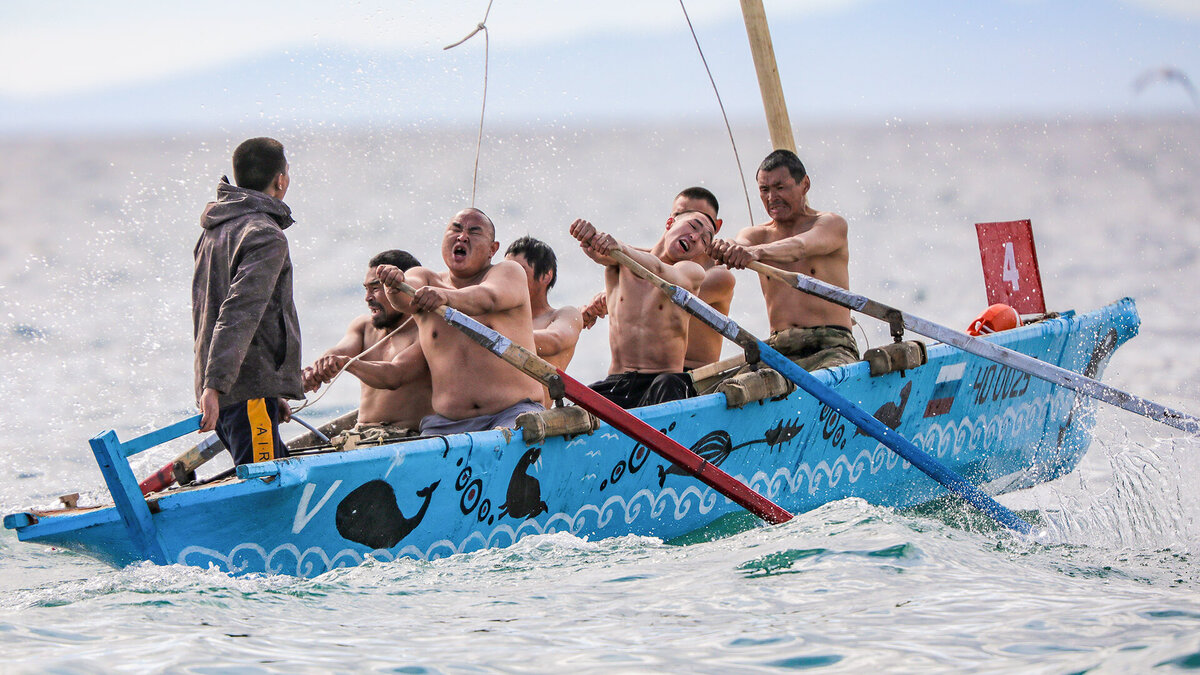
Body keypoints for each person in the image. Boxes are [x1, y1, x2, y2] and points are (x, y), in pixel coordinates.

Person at [375, 208, 545, 435]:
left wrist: (446, 297)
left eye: (474, 232)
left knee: (503, 443)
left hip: (513, 413)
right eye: (455, 229)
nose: (462, 236)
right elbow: (404, 297)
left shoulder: (508, 272)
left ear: (493, 249)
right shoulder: (424, 277)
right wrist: (393, 284)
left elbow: (488, 298)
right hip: (447, 423)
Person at [193, 137, 301, 466]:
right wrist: (217, 386)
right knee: (267, 486)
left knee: (270, 472)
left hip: (232, 388)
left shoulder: (215, 230)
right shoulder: (265, 234)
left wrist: (273, 389)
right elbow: (238, 314)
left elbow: (208, 312)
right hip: (239, 389)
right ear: (281, 180)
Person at [707, 149, 858, 371]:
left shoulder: (831, 224)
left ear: (804, 185)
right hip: (780, 348)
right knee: (734, 390)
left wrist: (756, 253)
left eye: (780, 188)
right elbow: (741, 245)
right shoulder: (755, 235)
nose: (772, 198)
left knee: (826, 382)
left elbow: (800, 247)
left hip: (832, 346)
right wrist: (725, 248)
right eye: (764, 190)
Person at [570, 212, 714, 408]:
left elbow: (659, 271)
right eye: (693, 226)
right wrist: (589, 235)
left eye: (704, 240)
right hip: (618, 383)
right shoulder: (618, 259)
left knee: (670, 383)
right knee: (579, 401)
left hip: (663, 384)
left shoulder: (692, 272)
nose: (695, 237)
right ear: (670, 222)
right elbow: (596, 252)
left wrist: (619, 248)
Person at [581, 187, 735, 370]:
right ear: (671, 220)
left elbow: (657, 294)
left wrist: (610, 295)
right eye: (683, 216)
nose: (693, 235)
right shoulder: (646, 259)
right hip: (634, 372)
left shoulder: (716, 275)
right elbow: (644, 265)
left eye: (703, 223)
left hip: (691, 376)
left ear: (716, 228)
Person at [302, 250, 433, 438]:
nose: (367, 298)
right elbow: (337, 352)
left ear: (403, 288)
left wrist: (346, 363)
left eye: (376, 288)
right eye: (366, 289)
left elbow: (395, 375)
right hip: (359, 434)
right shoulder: (363, 326)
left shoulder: (428, 330)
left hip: (405, 437)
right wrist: (317, 369)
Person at [504, 236, 583, 406]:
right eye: (506, 272)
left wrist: (494, 335)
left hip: (528, 415)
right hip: (484, 415)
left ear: (546, 276)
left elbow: (555, 340)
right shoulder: (497, 316)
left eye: (519, 272)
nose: (509, 279)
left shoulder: (564, 315)